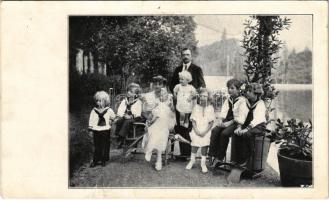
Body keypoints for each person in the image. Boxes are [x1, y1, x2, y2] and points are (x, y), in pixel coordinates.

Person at [169, 48, 206, 159]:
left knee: (189, 127)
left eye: (187, 54)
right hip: (179, 104)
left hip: (191, 104)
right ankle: (183, 154)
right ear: (181, 56)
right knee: (180, 127)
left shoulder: (196, 69)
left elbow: (202, 86)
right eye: (183, 55)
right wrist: (177, 94)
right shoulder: (177, 69)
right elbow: (172, 85)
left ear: (191, 56)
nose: (185, 56)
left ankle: (189, 153)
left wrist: (192, 95)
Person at [208, 79, 249, 167]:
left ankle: (220, 157)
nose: (229, 90)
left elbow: (240, 117)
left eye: (232, 88)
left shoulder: (242, 101)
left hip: (237, 122)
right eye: (228, 88)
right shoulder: (229, 99)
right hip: (227, 121)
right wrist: (220, 121)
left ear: (238, 90)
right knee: (215, 130)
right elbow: (224, 112)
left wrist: (228, 123)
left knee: (224, 134)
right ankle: (212, 155)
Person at [232, 83, 267, 166]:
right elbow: (242, 115)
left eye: (249, 91)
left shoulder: (260, 104)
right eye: (247, 90)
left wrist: (246, 129)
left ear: (255, 93)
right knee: (237, 134)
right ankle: (238, 159)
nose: (247, 92)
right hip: (249, 125)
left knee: (247, 135)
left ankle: (247, 159)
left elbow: (257, 120)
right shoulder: (247, 102)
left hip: (259, 126)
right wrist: (239, 127)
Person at [144, 88, 176, 171]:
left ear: (167, 95)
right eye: (160, 95)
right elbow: (152, 113)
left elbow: (172, 115)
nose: (161, 97)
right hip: (156, 124)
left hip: (166, 123)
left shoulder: (169, 102)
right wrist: (151, 119)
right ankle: (157, 159)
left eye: (163, 95)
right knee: (156, 133)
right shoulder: (157, 102)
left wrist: (171, 105)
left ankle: (152, 152)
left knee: (161, 131)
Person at [185, 88, 215, 173]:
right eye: (201, 96)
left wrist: (204, 132)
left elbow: (211, 123)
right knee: (195, 142)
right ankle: (192, 160)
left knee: (204, 143)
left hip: (206, 130)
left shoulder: (210, 108)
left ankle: (203, 163)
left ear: (208, 97)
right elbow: (193, 121)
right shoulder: (196, 107)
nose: (202, 98)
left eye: (204, 96)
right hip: (196, 129)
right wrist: (197, 131)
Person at [88, 91, 116, 167]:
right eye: (97, 101)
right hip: (96, 130)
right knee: (97, 145)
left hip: (105, 130)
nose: (98, 103)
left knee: (105, 145)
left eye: (100, 101)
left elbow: (114, 116)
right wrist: (90, 129)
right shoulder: (94, 111)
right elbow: (91, 120)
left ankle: (103, 160)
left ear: (105, 101)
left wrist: (111, 120)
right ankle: (95, 160)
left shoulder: (109, 110)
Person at [115, 83, 143, 148]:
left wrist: (130, 116)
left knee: (127, 122)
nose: (128, 92)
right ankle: (118, 135)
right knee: (119, 120)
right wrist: (122, 115)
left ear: (136, 94)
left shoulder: (138, 102)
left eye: (131, 91)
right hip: (125, 116)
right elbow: (120, 110)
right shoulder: (124, 101)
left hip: (135, 117)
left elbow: (138, 113)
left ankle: (121, 138)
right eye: (128, 91)